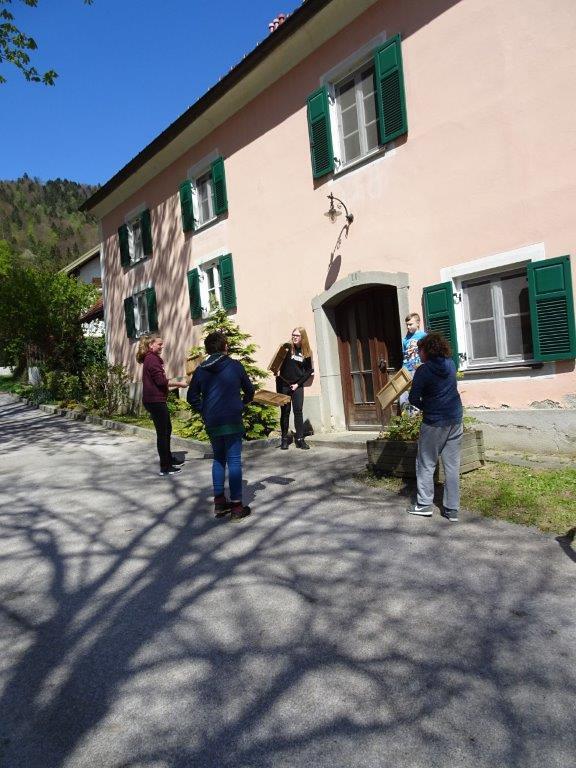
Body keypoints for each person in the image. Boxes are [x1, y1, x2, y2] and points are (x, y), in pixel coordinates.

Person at [187, 331, 254, 521]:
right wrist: (243, 403)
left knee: (218, 459)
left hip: (213, 421)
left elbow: (192, 397)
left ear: (208, 349)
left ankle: (219, 502)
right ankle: (237, 506)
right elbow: (249, 390)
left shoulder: (201, 369)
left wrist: (204, 410)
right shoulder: (235, 366)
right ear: (225, 346)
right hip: (232, 419)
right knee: (233, 461)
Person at [407, 332, 463, 522]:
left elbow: (413, 398)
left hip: (434, 422)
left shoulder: (423, 371)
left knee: (426, 463)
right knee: (452, 466)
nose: (418, 354)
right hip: (455, 419)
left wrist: (427, 407)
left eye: (420, 350)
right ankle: (452, 509)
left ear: (427, 350)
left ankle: (424, 505)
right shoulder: (451, 364)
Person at [136, 334, 187, 476]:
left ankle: (168, 459)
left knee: (166, 430)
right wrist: (179, 383)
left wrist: (174, 386)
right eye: (159, 344)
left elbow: (158, 383)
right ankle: (165, 467)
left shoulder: (151, 358)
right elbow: (160, 381)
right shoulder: (152, 359)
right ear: (151, 345)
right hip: (155, 402)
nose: (162, 346)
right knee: (163, 434)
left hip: (155, 400)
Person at [275, 327, 314, 450]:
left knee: (298, 412)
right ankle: (284, 439)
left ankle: (300, 439)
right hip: (284, 385)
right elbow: (276, 363)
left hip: (297, 386)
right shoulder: (286, 348)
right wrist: (275, 370)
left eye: (297, 335)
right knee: (285, 412)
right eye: (293, 335)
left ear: (302, 337)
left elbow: (309, 370)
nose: (294, 337)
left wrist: (298, 384)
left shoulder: (306, 351)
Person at [399, 312, 427, 412]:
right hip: (406, 369)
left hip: (419, 368)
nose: (408, 327)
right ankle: (406, 416)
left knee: (417, 393)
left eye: (410, 324)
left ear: (418, 323)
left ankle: (418, 414)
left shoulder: (424, 336)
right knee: (403, 394)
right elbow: (405, 355)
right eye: (407, 325)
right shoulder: (405, 339)